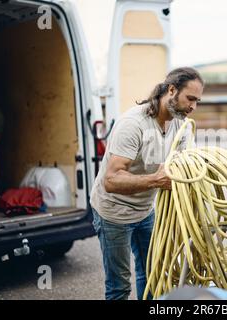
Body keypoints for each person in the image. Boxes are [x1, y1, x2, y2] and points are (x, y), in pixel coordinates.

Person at [90, 67, 204, 300]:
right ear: (171, 90)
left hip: (144, 211)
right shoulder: (133, 124)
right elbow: (111, 180)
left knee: (153, 276)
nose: (193, 107)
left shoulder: (181, 125)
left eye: (197, 101)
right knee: (119, 286)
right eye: (190, 99)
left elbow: (187, 164)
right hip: (114, 213)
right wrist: (156, 180)